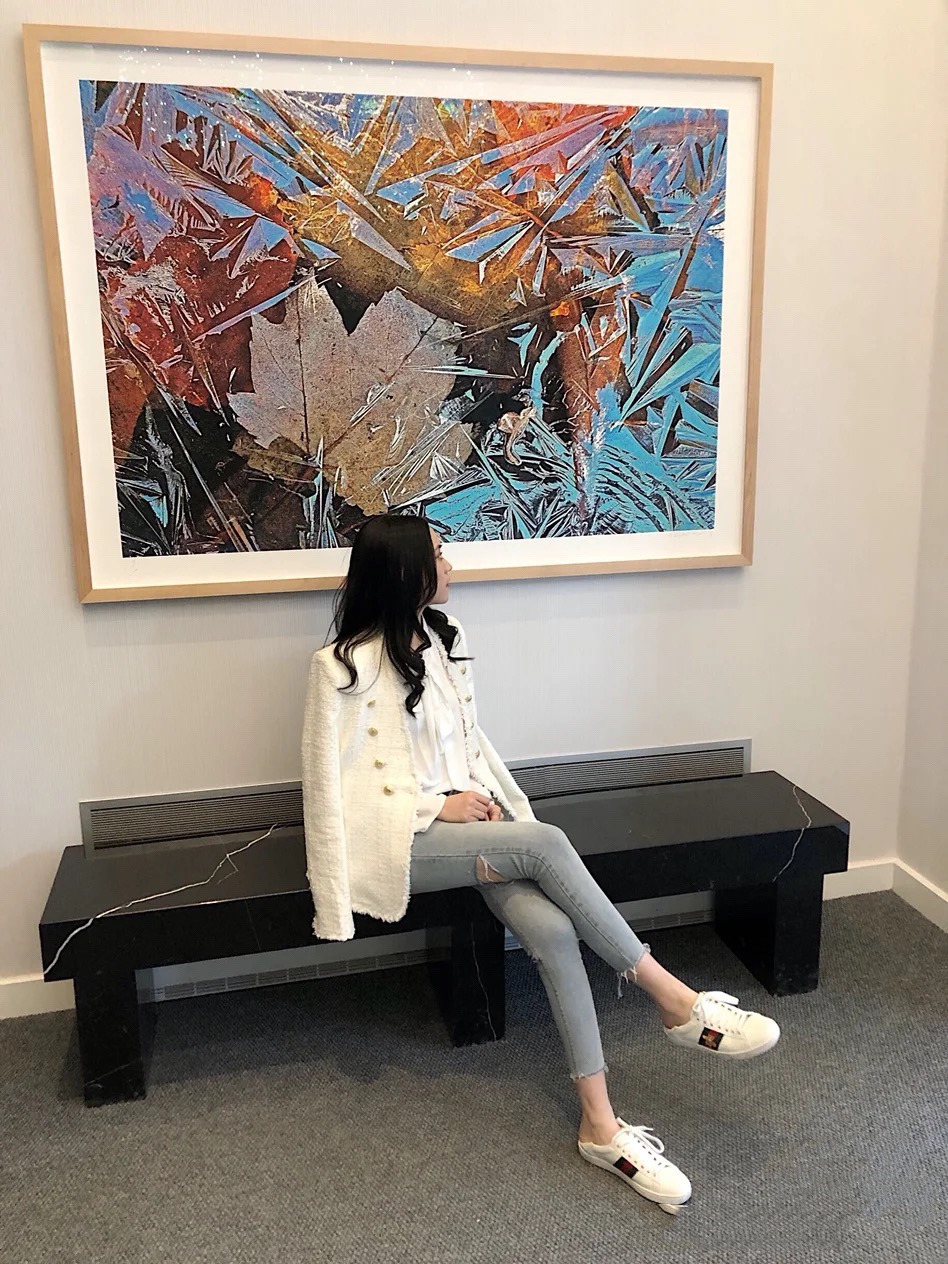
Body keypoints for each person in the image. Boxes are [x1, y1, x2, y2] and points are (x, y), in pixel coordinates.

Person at [301, 513, 780, 1215]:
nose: (451, 564)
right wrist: (438, 809)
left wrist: (486, 806)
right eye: (439, 554)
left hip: (475, 828)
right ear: (405, 569)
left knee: (554, 931)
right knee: (547, 843)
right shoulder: (339, 666)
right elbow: (333, 792)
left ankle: (600, 1127)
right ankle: (676, 1001)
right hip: (402, 845)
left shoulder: (447, 639)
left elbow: (468, 747)